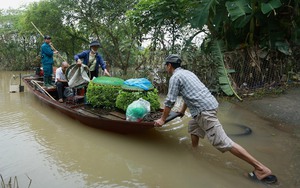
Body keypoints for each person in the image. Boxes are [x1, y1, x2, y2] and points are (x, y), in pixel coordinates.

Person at [154, 54, 278, 184]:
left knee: (223, 142)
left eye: (166, 66)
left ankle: (261, 168)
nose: (166, 68)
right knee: (193, 126)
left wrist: (162, 120)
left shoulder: (175, 77)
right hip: (209, 106)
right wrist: (182, 111)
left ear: (169, 65)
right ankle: (195, 151)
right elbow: (189, 94)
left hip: (204, 111)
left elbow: (169, 101)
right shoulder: (187, 73)